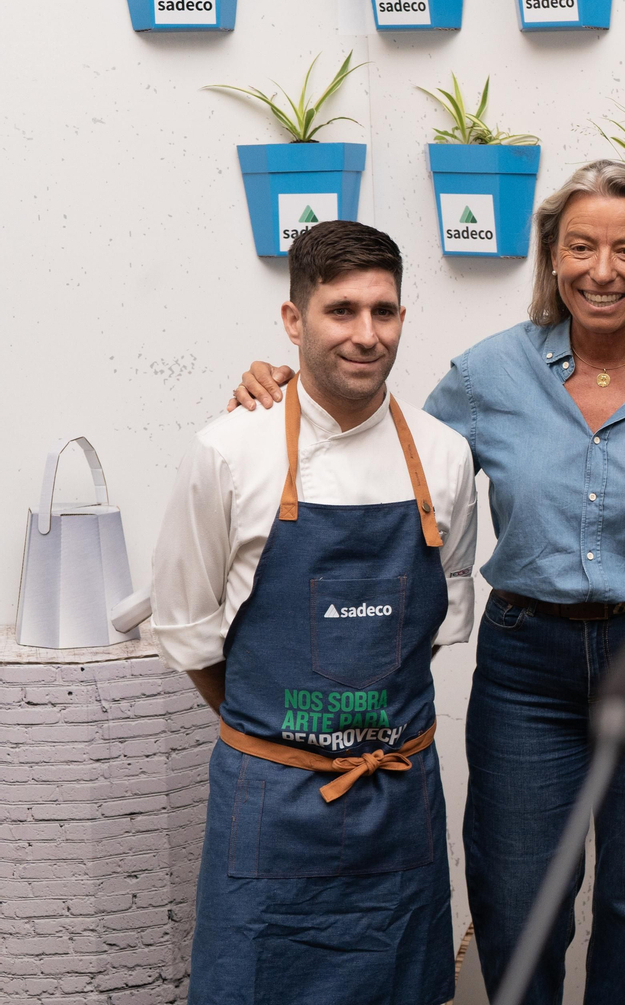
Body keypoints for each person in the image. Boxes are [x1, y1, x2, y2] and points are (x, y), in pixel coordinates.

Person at [228, 160, 625, 1005]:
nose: (602, 270)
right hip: (529, 667)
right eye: (580, 246)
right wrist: (289, 386)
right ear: (551, 258)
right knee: (516, 907)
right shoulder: (488, 374)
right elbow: (382, 440)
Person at [151, 221, 479, 1005]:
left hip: (398, 798)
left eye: (385, 311)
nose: (367, 335)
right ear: (294, 321)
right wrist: (279, 735)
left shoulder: (445, 456)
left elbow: (430, 626)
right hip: (271, 803)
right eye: (341, 311)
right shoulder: (230, 451)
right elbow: (189, 629)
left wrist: (362, 720)